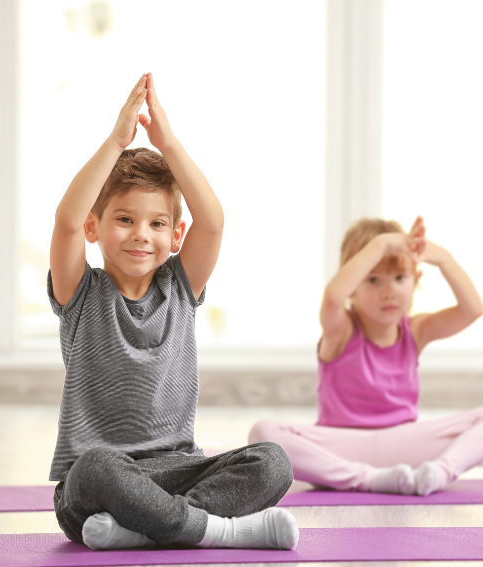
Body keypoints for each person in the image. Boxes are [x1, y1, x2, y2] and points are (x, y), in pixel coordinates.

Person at [47, 73, 298, 551]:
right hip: (98, 483)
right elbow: (63, 223)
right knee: (97, 467)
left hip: (178, 471)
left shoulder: (181, 287)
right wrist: (117, 140)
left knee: (273, 463)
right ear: (94, 227)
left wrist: (167, 141)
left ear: (175, 235)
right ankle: (216, 532)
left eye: (156, 223)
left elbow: (213, 220)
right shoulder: (80, 293)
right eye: (124, 219)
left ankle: (142, 532)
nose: (142, 233)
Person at [250, 218, 483, 495]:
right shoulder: (341, 330)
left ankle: (438, 474)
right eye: (373, 280)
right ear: (353, 286)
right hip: (341, 448)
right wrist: (381, 244)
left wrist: (444, 259)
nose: (389, 293)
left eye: (399, 279)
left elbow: (472, 310)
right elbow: (333, 298)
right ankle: (366, 479)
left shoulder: (416, 330)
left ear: (415, 279)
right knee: (262, 433)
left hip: (404, 444)